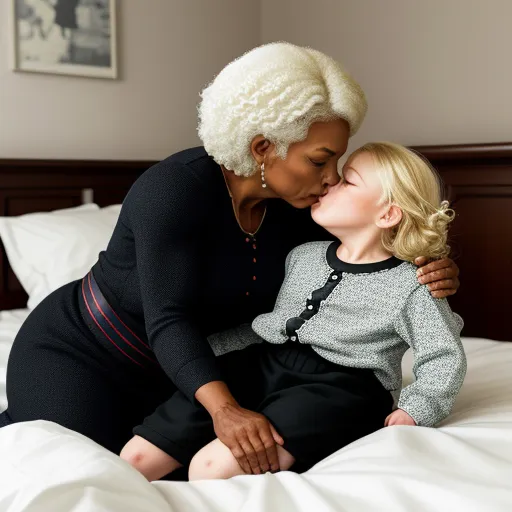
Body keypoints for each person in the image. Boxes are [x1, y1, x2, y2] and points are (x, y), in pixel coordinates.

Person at [0, 44, 460, 480]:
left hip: (197, 371)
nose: (331, 178)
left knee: (189, 467)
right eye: (320, 160)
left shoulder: (301, 208)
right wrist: (226, 411)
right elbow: (170, 318)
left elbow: (373, 249)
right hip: (90, 353)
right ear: (264, 148)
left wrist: (432, 267)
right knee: (84, 470)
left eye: (338, 162)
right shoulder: (174, 192)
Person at [126, 142, 467, 481]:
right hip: (265, 363)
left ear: (388, 213)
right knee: (137, 457)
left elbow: (443, 354)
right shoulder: (302, 255)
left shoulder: (413, 283)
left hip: (341, 388)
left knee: (209, 470)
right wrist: (210, 351)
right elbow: (266, 326)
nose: (329, 181)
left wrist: (417, 408)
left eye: (347, 180)